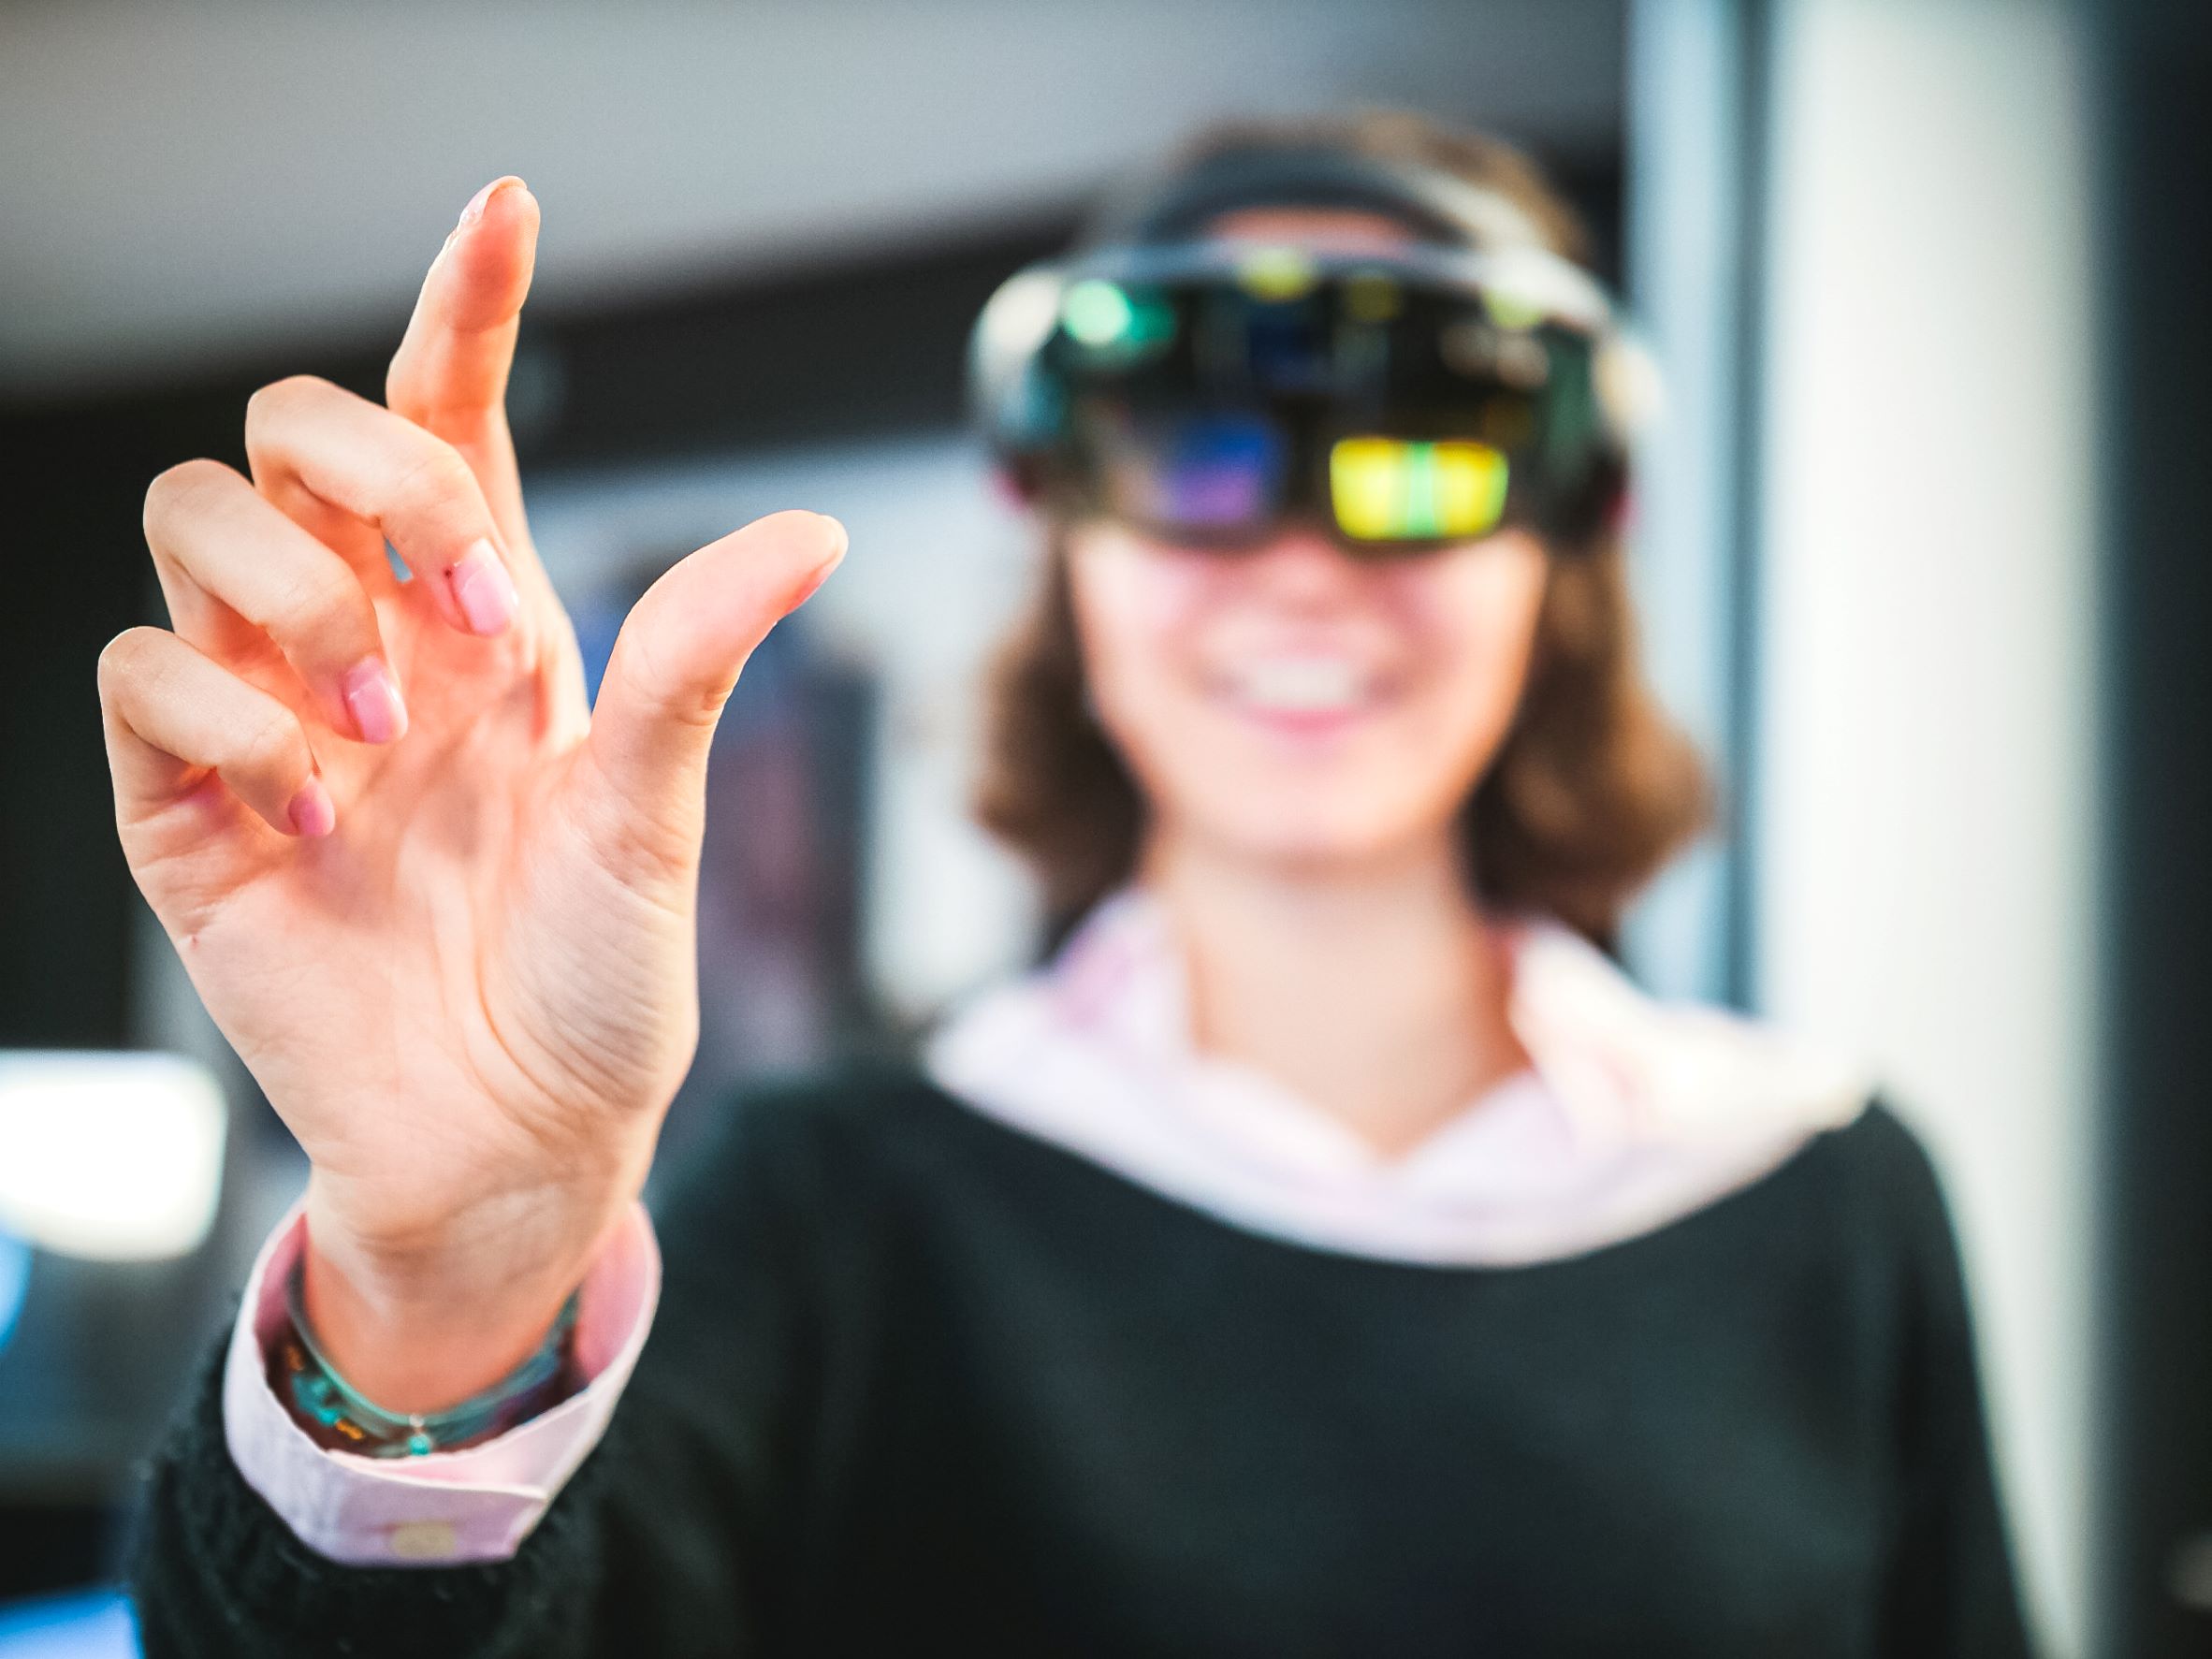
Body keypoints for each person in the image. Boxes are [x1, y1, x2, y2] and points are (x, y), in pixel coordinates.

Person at [109, 114, 2030, 1656]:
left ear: (1562, 546)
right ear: (1074, 563)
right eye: (1200, 444)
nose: (1297, 560)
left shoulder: (1826, 1195)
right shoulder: (830, 1205)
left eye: (1420, 449)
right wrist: (442, 1285)